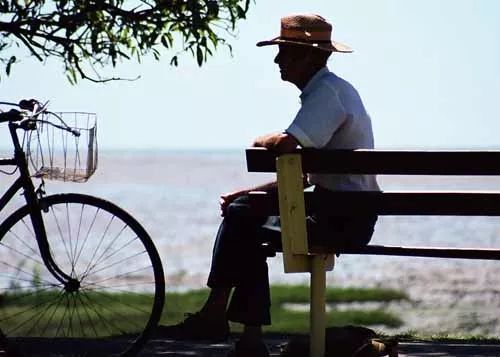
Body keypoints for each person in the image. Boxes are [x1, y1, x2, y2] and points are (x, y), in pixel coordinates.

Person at [157, 14, 380, 357]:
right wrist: (248, 193)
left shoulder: (326, 94)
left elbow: (286, 145)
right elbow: (303, 177)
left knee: (242, 217)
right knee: (243, 215)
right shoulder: (332, 92)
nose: (277, 60)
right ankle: (241, 333)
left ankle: (222, 318)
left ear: (308, 56)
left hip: (341, 220)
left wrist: (263, 138)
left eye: (284, 53)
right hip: (342, 212)